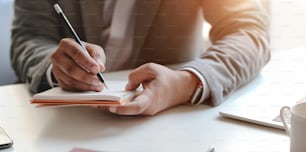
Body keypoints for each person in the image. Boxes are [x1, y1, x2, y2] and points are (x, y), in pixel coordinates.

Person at [11, 0, 270, 115]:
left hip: (172, 123)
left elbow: (249, 32)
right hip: (66, 122)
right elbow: (29, 38)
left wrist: (187, 82)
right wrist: (56, 68)